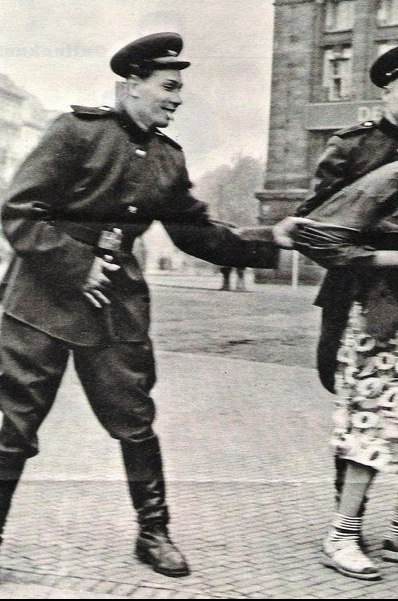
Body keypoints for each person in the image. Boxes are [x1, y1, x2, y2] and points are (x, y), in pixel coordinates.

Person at [0, 32, 305, 578]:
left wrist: (270, 238)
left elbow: (197, 233)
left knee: (135, 420)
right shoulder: (75, 132)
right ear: (132, 85)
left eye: (179, 89)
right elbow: (19, 210)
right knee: (14, 424)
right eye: (168, 87)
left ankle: (153, 532)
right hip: (41, 301)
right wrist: (76, 264)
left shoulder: (167, 157)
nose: (177, 99)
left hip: (114, 307)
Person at [296, 41, 398, 562]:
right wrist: (389, 257)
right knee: (365, 416)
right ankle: (346, 526)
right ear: (386, 93)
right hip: (358, 298)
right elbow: (318, 223)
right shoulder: (353, 147)